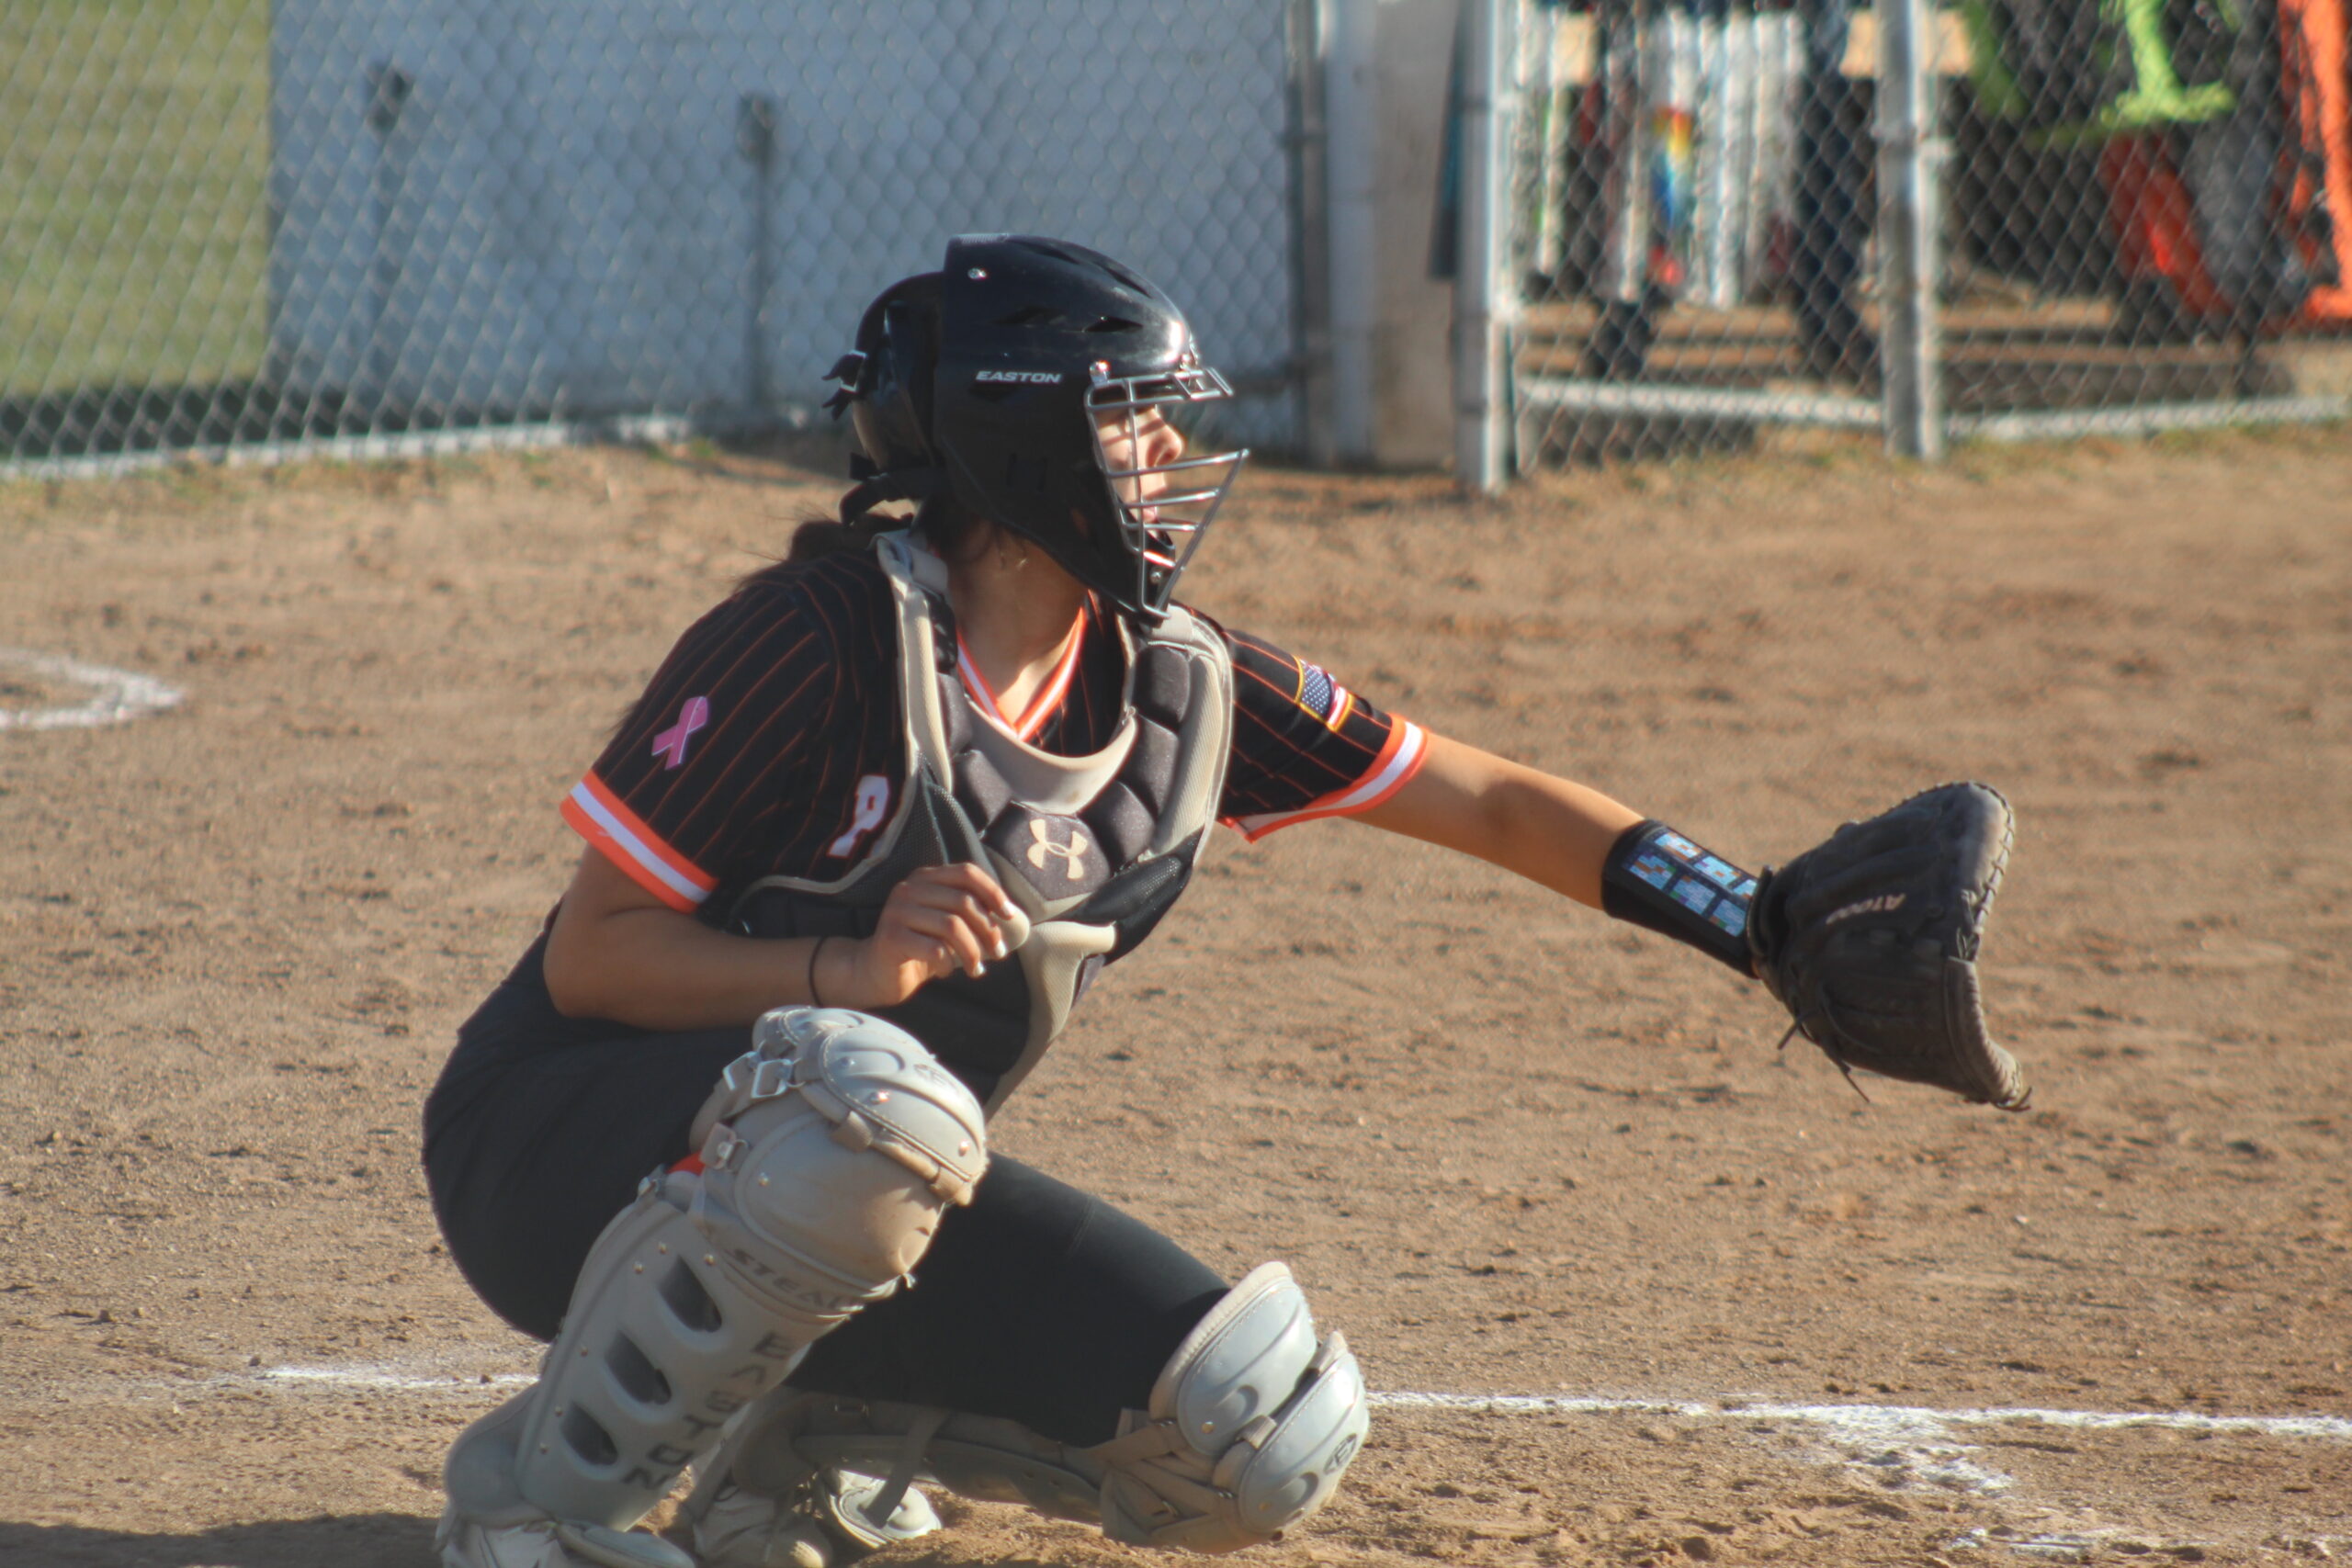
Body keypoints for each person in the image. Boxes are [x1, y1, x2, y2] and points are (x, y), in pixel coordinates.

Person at [423, 235, 2010, 1568]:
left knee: (1252, 1434)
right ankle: (540, 1506)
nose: (1171, 459)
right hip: (555, 1155)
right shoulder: (818, 637)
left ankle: (794, 1439)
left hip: (854, 1173)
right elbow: (593, 958)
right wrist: (847, 960)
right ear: (1022, 443)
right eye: (1131, 421)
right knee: (864, 1105)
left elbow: (1483, 797)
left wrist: (1755, 923)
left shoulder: (1174, 686)